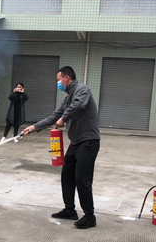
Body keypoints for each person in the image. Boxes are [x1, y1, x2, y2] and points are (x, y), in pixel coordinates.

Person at [23, 66, 101, 230]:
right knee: (67, 174)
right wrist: (34, 127)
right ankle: (70, 210)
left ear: (66, 78)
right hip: (76, 142)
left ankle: (89, 216)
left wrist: (64, 119)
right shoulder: (67, 99)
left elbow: (79, 105)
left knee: (82, 179)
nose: (58, 83)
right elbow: (54, 117)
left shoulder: (82, 90)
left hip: (88, 141)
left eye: (59, 80)